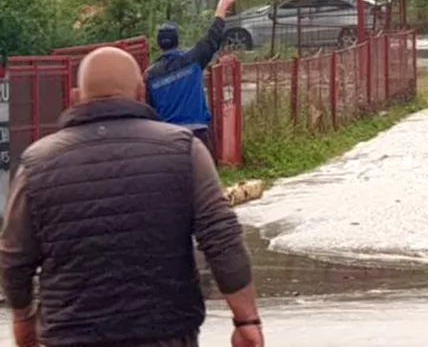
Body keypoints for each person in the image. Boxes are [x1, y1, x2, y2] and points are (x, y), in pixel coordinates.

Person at [0, 47, 263, 347]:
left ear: (75, 97)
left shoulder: (37, 164)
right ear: (140, 93)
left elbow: (14, 257)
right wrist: (246, 320)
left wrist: (23, 319)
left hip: (69, 334)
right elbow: (221, 238)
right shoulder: (183, 151)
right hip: (165, 333)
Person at [146, 0, 236, 157]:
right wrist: (221, 9)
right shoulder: (193, 60)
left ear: (158, 44)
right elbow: (212, 38)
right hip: (198, 135)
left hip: (168, 140)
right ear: (177, 40)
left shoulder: (150, 76)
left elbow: (149, 111)